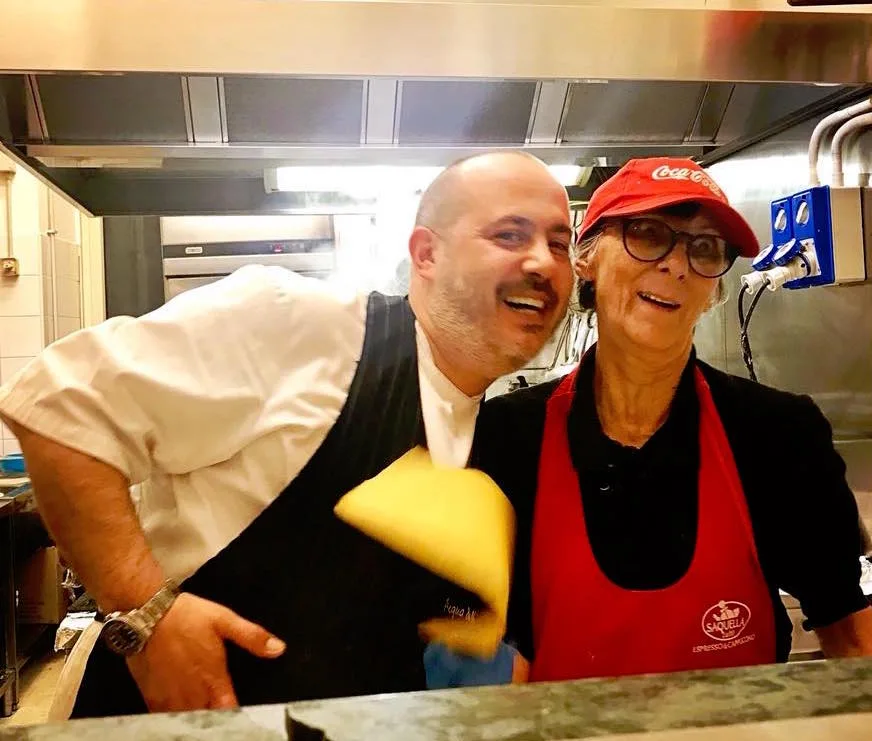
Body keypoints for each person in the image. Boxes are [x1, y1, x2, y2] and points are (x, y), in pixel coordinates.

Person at [0, 151, 574, 717]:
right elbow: (57, 404)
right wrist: (146, 616)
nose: (543, 263)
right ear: (425, 254)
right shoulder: (310, 325)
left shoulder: (477, 431)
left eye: (559, 243)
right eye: (509, 235)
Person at [476, 157, 872, 683]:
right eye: (647, 233)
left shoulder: (778, 435)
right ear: (586, 257)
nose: (677, 265)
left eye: (704, 247)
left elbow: (850, 630)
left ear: (714, 291)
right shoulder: (508, 437)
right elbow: (499, 654)